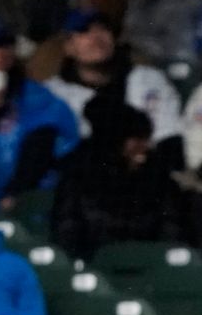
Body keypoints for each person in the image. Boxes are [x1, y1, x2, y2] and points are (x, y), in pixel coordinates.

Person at [42, 8, 186, 170]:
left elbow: (169, 137)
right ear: (68, 47)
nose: (96, 37)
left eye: (103, 29)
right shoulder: (51, 94)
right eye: (84, 31)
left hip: (151, 173)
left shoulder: (149, 79)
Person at [0, 18, 78, 211]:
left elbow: (46, 138)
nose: (0, 53)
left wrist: (16, 192)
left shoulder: (30, 92)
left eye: (6, 46)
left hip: (24, 198)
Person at [51, 97, 185, 260]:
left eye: (146, 138)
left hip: (149, 267)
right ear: (115, 142)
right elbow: (67, 232)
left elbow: (172, 232)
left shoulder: (160, 181)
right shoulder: (78, 178)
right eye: (136, 139)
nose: (145, 146)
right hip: (96, 266)